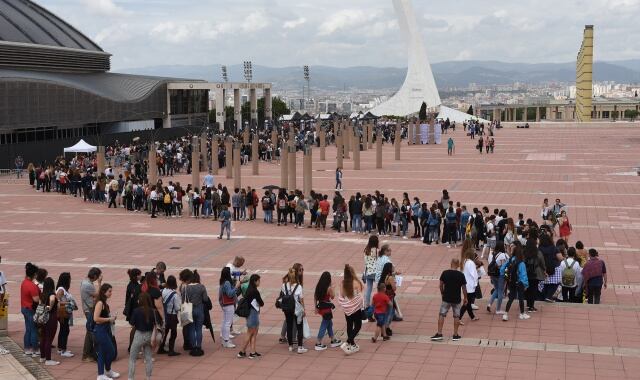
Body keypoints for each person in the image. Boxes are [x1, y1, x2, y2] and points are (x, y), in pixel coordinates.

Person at [431, 258, 467, 341]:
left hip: (446, 298)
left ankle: (439, 333)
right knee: (457, 316)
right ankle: (455, 335)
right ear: (458, 265)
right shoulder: (461, 275)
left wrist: (442, 293)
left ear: (451, 263)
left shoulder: (445, 273)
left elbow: (440, 285)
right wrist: (465, 298)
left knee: (442, 314)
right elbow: (464, 288)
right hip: (456, 298)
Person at [93, 283, 120, 380]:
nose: (111, 293)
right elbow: (96, 318)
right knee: (111, 352)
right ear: (104, 292)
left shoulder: (104, 303)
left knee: (102, 352)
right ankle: (105, 371)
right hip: (100, 330)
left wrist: (111, 318)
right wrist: (109, 319)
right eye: (109, 291)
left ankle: (103, 373)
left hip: (105, 329)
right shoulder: (100, 303)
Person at [127, 292, 155, 380]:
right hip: (149, 335)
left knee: (132, 358)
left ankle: (131, 378)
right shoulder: (152, 311)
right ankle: (148, 377)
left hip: (139, 334)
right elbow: (155, 324)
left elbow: (132, 324)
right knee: (148, 358)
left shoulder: (136, 311)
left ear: (140, 301)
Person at [337, 264, 364, 355]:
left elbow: (342, 295)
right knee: (358, 326)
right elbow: (360, 296)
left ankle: (352, 344)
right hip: (356, 308)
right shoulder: (356, 282)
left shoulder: (342, 283)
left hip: (347, 308)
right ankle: (348, 342)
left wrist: (348, 303)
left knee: (349, 325)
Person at [182, 270, 209, 356]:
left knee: (191, 329)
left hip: (189, 309)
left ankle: (193, 347)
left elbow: (183, 300)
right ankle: (199, 346)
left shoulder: (185, 288)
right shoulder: (201, 287)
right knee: (198, 329)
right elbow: (205, 299)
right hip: (199, 309)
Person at [313, 272, 342, 350]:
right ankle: (318, 342)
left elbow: (315, 296)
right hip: (327, 309)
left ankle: (333, 339)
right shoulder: (328, 288)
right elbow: (332, 297)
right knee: (324, 324)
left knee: (329, 323)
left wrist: (316, 306)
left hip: (321, 308)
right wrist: (333, 288)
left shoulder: (318, 286)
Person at [237, 274, 264, 359]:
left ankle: (253, 351)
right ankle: (242, 351)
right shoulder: (254, 291)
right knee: (250, 333)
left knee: (254, 333)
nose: (259, 282)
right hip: (253, 313)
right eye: (259, 281)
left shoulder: (249, 288)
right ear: (255, 281)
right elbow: (261, 302)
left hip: (250, 312)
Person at [282, 268, 307, 353]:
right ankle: (300, 347)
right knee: (299, 327)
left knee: (289, 326)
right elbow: (301, 300)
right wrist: (304, 310)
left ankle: (290, 346)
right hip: (297, 309)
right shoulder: (299, 286)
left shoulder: (284, 285)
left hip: (287, 309)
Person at [502, 246, 530, 321]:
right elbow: (523, 275)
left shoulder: (510, 259)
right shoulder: (521, 263)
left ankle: (505, 314)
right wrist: (526, 284)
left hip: (511, 282)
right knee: (521, 298)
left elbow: (503, 268)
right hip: (519, 282)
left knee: (511, 298)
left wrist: (504, 277)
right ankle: (522, 314)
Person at [81, 267, 102, 362]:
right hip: (89, 310)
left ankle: (88, 353)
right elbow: (99, 294)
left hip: (88, 309)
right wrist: (100, 283)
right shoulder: (88, 285)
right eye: (97, 277)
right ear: (94, 276)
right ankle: (86, 355)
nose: (98, 279)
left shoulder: (85, 282)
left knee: (90, 331)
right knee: (90, 332)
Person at [38, 277, 59, 365]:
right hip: (51, 317)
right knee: (49, 338)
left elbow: (39, 304)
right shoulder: (52, 294)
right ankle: (48, 360)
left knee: (43, 337)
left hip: (42, 317)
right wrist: (50, 307)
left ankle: (42, 357)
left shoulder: (42, 294)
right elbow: (52, 299)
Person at [21, 262, 40, 358]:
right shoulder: (32, 286)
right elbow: (36, 299)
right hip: (30, 309)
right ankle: (35, 350)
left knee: (28, 329)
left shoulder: (24, 282)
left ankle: (27, 349)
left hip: (24, 308)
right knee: (33, 330)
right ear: (34, 274)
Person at [55, 272, 76, 358]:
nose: (70, 280)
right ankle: (63, 349)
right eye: (69, 279)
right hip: (62, 313)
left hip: (66, 313)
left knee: (64, 329)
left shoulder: (64, 289)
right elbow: (56, 300)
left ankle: (61, 348)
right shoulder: (61, 290)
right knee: (65, 330)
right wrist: (68, 303)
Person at [159, 275, 181, 356]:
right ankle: (171, 350)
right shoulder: (174, 294)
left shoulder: (162, 291)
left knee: (165, 332)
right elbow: (178, 307)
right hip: (172, 315)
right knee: (173, 332)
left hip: (164, 315)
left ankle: (161, 347)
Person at [486, 241, 509, 314]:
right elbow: (504, 266)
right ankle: (498, 309)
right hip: (500, 275)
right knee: (500, 291)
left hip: (492, 274)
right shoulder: (503, 255)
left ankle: (489, 304)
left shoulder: (493, 254)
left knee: (496, 289)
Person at [219, 267, 239, 348]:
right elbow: (230, 294)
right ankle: (226, 341)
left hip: (224, 304)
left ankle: (224, 340)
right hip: (228, 304)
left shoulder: (222, 281)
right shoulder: (227, 282)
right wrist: (236, 287)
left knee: (224, 322)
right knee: (228, 323)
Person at [123, 268, 141, 353]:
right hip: (134, 311)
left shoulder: (131, 284)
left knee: (135, 328)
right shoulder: (135, 286)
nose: (140, 276)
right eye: (139, 274)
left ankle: (133, 347)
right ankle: (131, 347)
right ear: (136, 276)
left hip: (132, 310)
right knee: (135, 328)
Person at [459, 249, 479, 323]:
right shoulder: (471, 263)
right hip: (470, 285)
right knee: (467, 303)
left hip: (466, 285)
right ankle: (459, 318)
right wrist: (476, 283)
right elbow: (474, 274)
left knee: (468, 302)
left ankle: (472, 316)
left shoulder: (465, 261)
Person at [363, 236, 379, 315]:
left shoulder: (366, 250)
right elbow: (378, 261)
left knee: (369, 288)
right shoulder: (376, 250)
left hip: (368, 271)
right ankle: (378, 303)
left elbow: (365, 262)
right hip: (375, 272)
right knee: (378, 287)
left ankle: (367, 305)